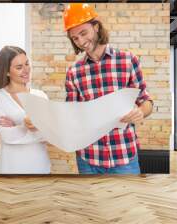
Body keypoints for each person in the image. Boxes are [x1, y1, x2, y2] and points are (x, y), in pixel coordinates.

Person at [62, 3, 154, 174]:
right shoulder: (74, 72)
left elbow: (146, 102)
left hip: (124, 157)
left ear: (96, 27)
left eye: (83, 33)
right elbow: (72, 113)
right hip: (88, 158)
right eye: (75, 38)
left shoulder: (127, 60)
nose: (81, 41)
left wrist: (140, 112)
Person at [0, 46, 51, 174]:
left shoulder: (40, 96)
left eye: (27, 64)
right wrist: (35, 127)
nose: (26, 70)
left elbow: (51, 135)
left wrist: (17, 126)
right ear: (7, 72)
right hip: (11, 167)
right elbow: (7, 136)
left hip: (40, 166)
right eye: (19, 67)